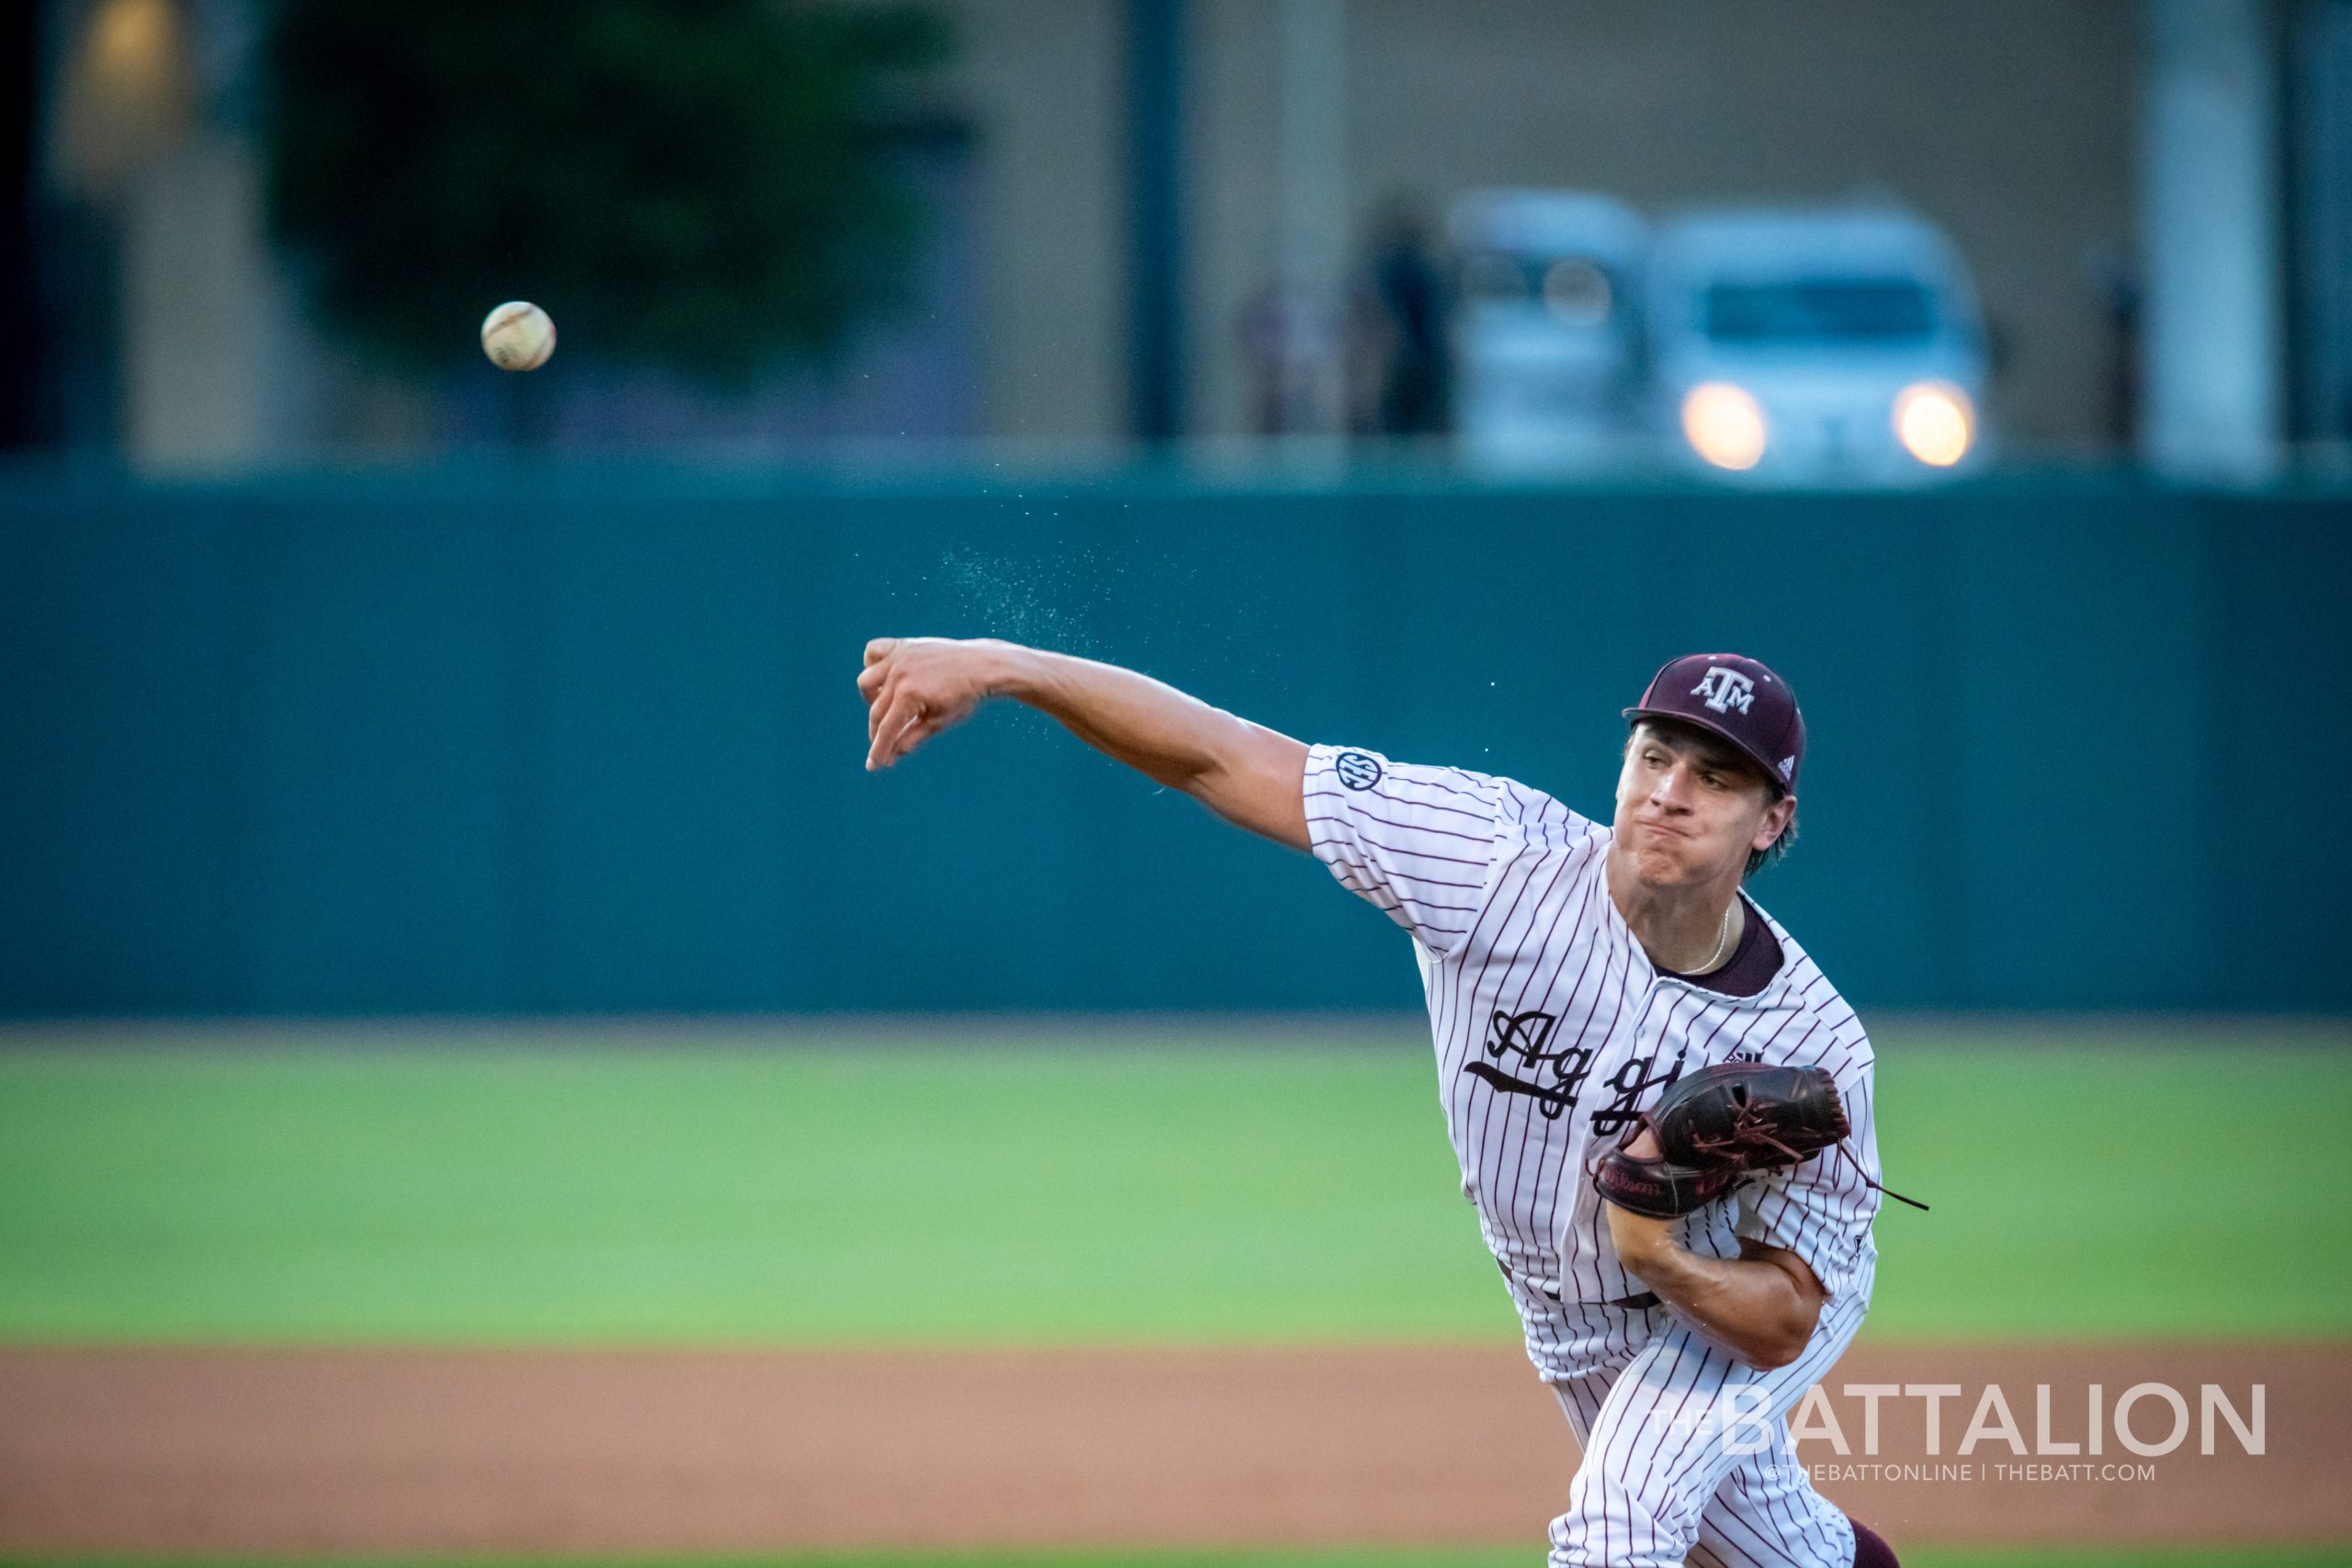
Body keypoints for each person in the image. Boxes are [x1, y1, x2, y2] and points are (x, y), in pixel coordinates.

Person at [856, 637, 1901, 1568]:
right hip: (1563, 1314)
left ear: (1773, 821)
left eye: (1715, 778)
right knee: (1779, 1554)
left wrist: (1662, 1256)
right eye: (1654, 757)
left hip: (1706, 1312)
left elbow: (1788, 1319)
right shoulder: (1494, 860)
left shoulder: (1810, 1043)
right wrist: (1006, 667)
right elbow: (1223, 755)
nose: (1670, 792)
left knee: (1619, 1523)